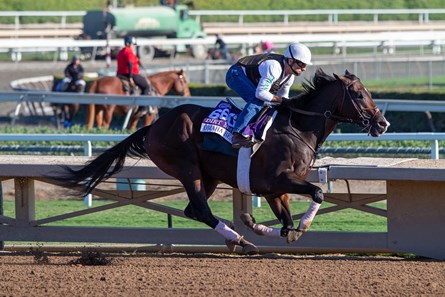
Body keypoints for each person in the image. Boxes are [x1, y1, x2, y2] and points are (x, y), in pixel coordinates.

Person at [225, 42, 312, 148]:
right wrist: (282, 101)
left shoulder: (290, 77)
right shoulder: (274, 67)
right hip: (235, 74)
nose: (304, 69)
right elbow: (261, 93)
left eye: (305, 65)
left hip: (249, 78)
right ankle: (237, 135)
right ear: (290, 60)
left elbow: (283, 98)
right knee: (257, 100)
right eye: (301, 64)